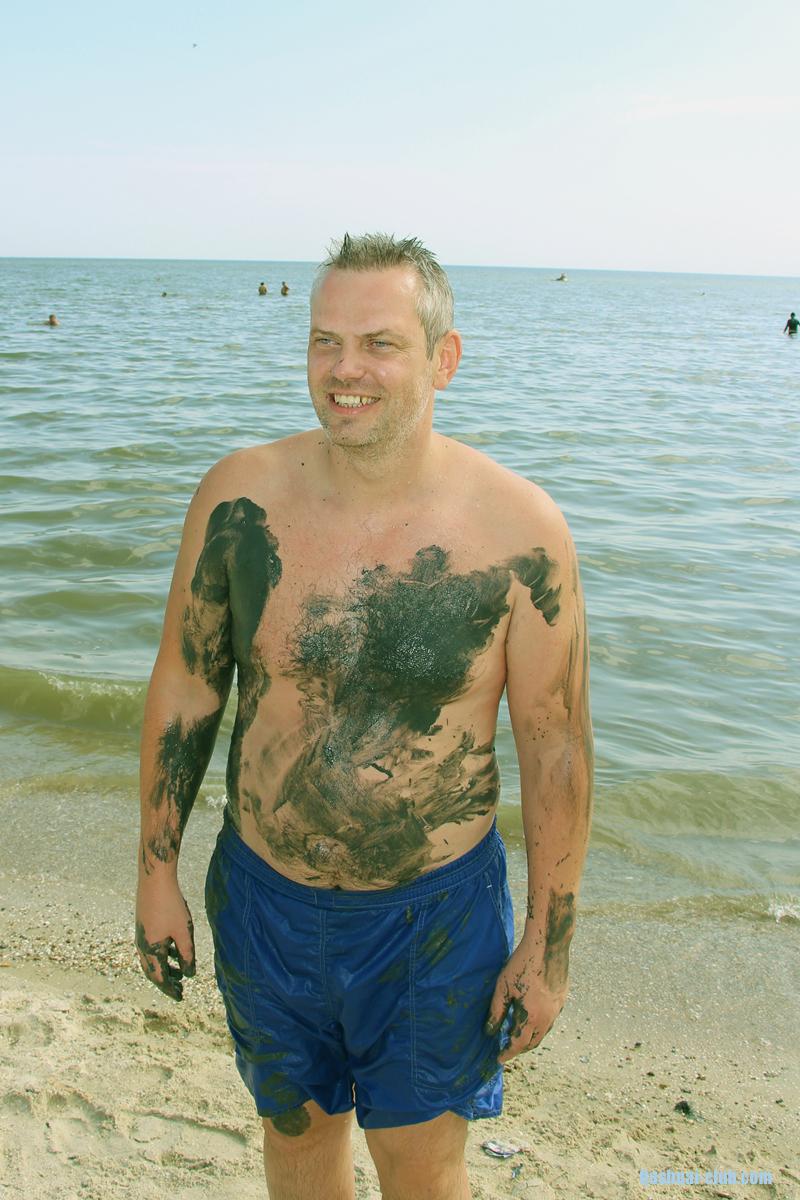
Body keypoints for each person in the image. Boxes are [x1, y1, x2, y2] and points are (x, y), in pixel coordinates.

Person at [135, 233, 593, 1200]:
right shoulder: (239, 498)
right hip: (264, 899)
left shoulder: (521, 530)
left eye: (380, 343)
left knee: (422, 1168)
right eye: (325, 341)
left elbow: (555, 747)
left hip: (434, 920)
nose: (346, 370)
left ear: (444, 358)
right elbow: (187, 686)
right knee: (297, 1144)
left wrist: (546, 949)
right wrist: (155, 876)